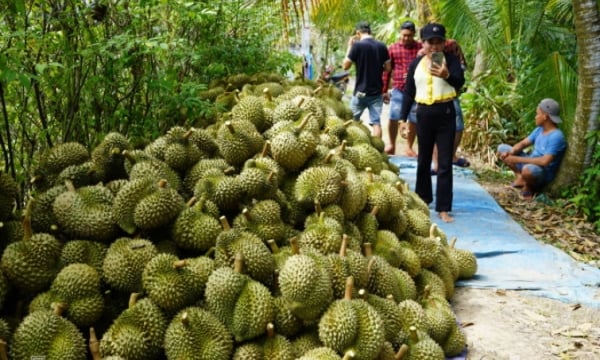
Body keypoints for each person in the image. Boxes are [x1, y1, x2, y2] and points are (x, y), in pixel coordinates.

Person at [399, 23, 465, 222]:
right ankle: (423, 200)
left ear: (444, 43)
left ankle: (443, 207)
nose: (435, 47)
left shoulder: (451, 60)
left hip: (445, 112)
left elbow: (460, 82)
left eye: (439, 42)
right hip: (423, 113)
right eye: (430, 43)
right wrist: (403, 119)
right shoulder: (416, 63)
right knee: (423, 160)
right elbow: (409, 91)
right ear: (424, 43)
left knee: (444, 162)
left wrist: (447, 75)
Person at [497, 98, 567, 200]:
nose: (535, 117)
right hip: (529, 162)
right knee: (502, 148)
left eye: (537, 114)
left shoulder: (556, 136)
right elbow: (524, 143)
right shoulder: (539, 130)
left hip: (541, 171)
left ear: (545, 116)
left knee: (528, 170)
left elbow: (544, 161)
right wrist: (511, 152)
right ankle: (520, 177)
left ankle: (529, 187)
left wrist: (517, 159)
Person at [343, 21, 391, 138]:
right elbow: (388, 68)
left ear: (358, 33)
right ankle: (378, 151)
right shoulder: (382, 46)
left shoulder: (357, 46)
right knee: (376, 123)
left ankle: (352, 147)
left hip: (360, 92)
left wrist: (350, 45)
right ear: (370, 31)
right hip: (376, 92)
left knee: (351, 121)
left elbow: (345, 66)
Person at [382, 20, 422, 155]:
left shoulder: (420, 48)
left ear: (414, 34)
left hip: (417, 90)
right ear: (400, 33)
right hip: (399, 88)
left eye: (409, 35)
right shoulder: (392, 48)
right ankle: (391, 145)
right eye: (404, 35)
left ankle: (409, 147)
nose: (406, 38)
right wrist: (384, 90)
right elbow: (387, 71)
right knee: (393, 117)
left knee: (413, 118)